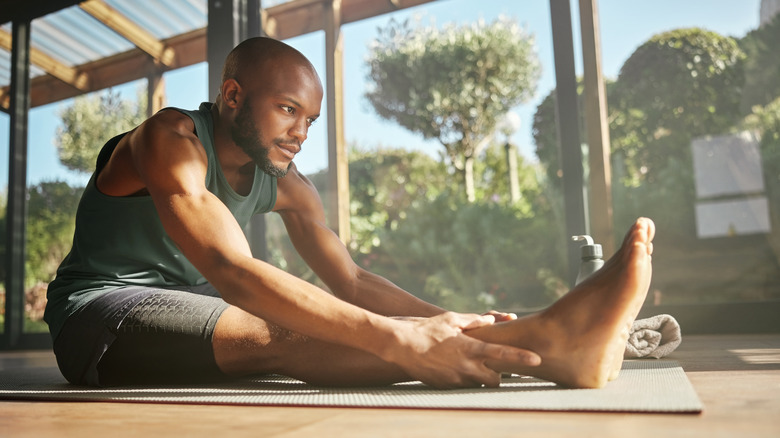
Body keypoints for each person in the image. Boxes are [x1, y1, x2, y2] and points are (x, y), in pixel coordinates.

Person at [44, 36, 654, 390]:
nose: (301, 132)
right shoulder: (169, 139)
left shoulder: (286, 182)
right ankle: (547, 342)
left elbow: (353, 281)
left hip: (192, 301)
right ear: (233, 97)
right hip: (100, 313)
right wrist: (397, 337)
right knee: (282, 330)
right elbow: (231, 269)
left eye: (309, 119)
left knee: (328, 314)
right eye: (287, 110)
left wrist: (442, 319)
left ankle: (556, 346)